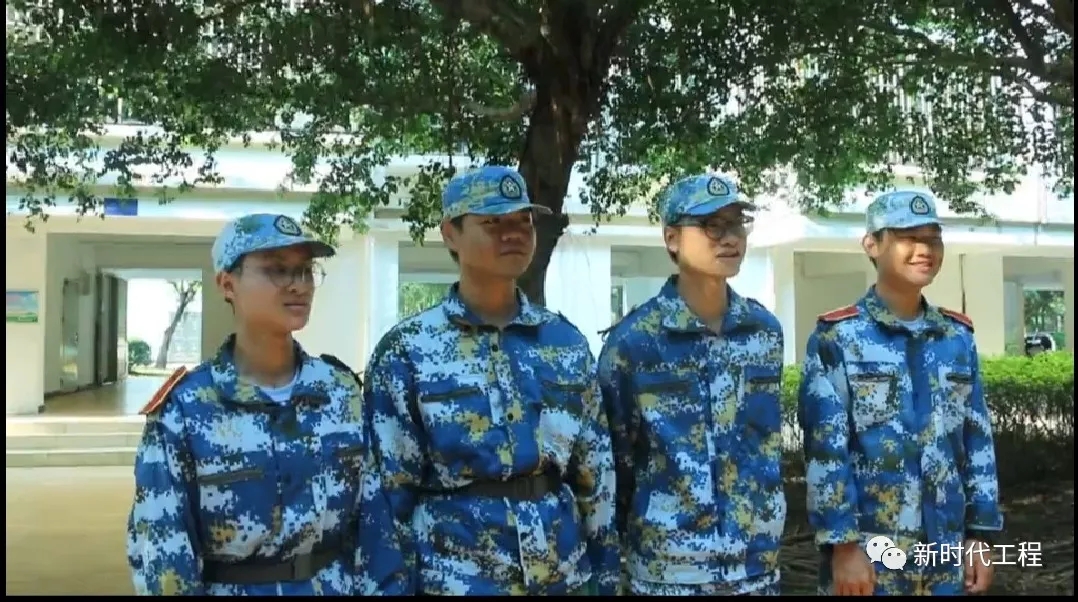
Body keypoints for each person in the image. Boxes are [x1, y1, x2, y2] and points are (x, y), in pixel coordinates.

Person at [363, 165, 620, 596]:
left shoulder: (565, 342)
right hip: (458, 579)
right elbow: (387, 496)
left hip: (562, 576)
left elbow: (596, 475)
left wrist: (607, 578)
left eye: (523, 221)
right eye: (493, 223)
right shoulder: (408, 350)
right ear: (450, 233)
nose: (514, 234)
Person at [126, 213, 407, 596]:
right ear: (227, 284)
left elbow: (376, 525)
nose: (299, 285)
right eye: (277, 270)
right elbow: (163, 553)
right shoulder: (184, 409)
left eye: (305, 271)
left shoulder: (339, 392)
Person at [798, 190, 1004, 596]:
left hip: (945, 556)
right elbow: (825, 451)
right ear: (872, 244)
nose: (924, 249)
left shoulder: (956, 337)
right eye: (908, 237)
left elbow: (976, 441)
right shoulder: (839, 338)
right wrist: (843, 546)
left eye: (933, 238)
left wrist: (980, 534)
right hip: (871, 559)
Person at [598, 174, 787, 596]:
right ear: (672, 238)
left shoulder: (764, 331)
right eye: (711, 226)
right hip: (670, 571)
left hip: (755, 564)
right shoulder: (634, 342)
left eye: (736, 224)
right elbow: (615, 462)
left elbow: (765, 443)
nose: (730, 238)